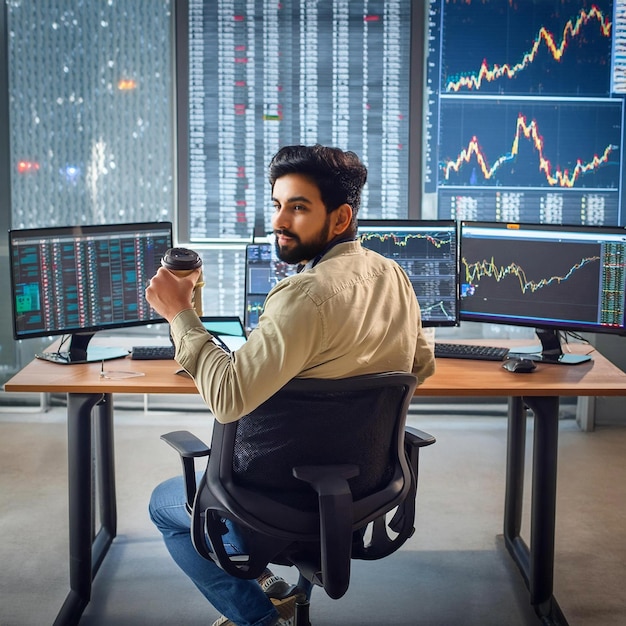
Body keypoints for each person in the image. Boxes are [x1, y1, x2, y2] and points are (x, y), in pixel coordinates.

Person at [146, 144, 436, 626]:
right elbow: (419, 367)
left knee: (162, 506)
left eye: (298, 208)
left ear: (341, 218)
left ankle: (260, 619)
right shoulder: (395, 275)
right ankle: (273, 586)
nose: (280, 220)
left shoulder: (304, 294)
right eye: (277, 204)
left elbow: (228, 398)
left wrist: (180, 314)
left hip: (268, 500)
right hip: (359, 493)